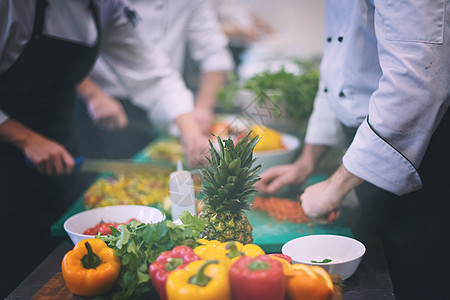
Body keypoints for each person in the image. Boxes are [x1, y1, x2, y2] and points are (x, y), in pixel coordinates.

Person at [0, 0, 208, 297]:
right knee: (15, 267)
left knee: (60, 258)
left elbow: (150, 70)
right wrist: (25, 139)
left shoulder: (105, 6)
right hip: (6, 155)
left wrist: (189, 129)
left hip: (62, 147)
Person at [258, 1, 450, 299]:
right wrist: (306, 162)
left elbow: (416, 84)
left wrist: (335, 187)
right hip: (370, 148)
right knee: (384, 255)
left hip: (422, 147)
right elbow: (336, 76)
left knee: (418, 275)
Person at [75, 0, 234, 160]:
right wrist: (93, 94)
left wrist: (196, 115)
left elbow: (151, 71)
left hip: (165, 104)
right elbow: (63, 59)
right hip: (104, 106)